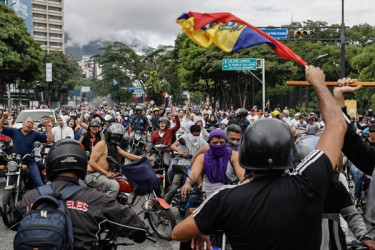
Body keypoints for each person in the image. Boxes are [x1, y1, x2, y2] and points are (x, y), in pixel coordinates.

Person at [172, 66, 347, 249]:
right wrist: (319, 83)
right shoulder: (309, 181)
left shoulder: (225, 198)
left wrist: (201, 231)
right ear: (289, 153)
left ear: (245, 153)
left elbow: (178, 232)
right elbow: (337, 124)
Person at [8, 139, 147, 249]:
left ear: (50, 164)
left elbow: (13, 223)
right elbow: (138, 229)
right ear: (81, 164)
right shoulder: (97, 199)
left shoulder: (31, 196)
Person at [85, 123, 150, 199]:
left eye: (119, 136)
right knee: (114, 186)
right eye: (114, 134)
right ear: (109, 134)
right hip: (94, 175)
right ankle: (106, 209)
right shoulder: (102, 144)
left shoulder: (115, 147)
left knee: (125, 180)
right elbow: (91, 162)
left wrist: (145, 158)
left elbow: (128, 155)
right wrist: (106, 173)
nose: (116, 137)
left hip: (102, 174)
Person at [180, 129, 245, 198]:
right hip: (208, 196)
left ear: (225, 142)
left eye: (221, 142)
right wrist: (187, 183)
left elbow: (242, 176)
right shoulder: (202, 158)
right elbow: (194, 173)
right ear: (209, 143)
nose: (218, 145)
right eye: (215, 143)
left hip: (229, 195)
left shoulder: (234, 155)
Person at [0, 112, 52, 187]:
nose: (29, 124)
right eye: (28, 122)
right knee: (9, 182)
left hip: (30, 163)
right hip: (16, 162)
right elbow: (1, 128)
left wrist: (47, 126)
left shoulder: (35, 134)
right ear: (23, 123)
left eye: (31, 123)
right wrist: (3, 117)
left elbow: (49, 139)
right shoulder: (14, 131)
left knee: (39, 184)